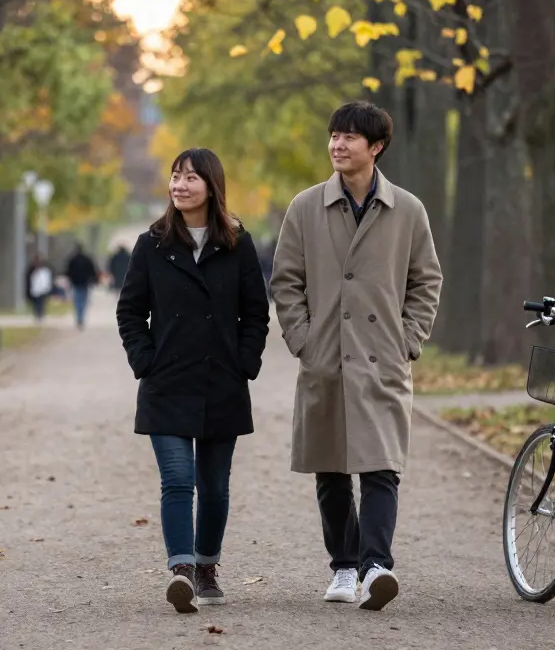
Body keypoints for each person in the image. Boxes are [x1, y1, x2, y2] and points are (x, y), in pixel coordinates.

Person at [270, 101, 442, 611]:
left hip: (382, 358)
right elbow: (285, 280)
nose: (337, 145)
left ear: (376, 147)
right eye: (333, 136)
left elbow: (426, 281)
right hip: (326, 356)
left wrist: (408, 340)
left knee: (382, 466)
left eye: (348, 137)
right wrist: (304, 339)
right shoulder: (305, 207)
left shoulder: (407, 209)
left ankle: (375, 567)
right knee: (331, 467)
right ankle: (344, 565)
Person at [116, 148, 270, 614]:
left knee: (216, 486)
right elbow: (129, 310)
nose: (180, 185)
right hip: (167, 382)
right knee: (178, 480)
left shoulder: (238, 244)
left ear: (211, 185)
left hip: (222, 382)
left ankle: (207, 566)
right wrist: (146, 360)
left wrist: (245, 361)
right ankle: (181, 570)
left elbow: (256, 313)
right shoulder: (153, 243)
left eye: (190, 177)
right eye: (175, 177)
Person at [64, 243, 99, 329]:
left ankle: (79, 317)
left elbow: (68, 271)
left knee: (77, 301)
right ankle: (81, 317)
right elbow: (92, 270)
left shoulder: (72, 260)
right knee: (84, 301)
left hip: (76, 283)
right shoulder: (87, 259)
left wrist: (70, 279)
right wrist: (94, 279)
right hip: (85, 283)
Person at [24, 255, 54, 322]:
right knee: (36, 302)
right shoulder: (32, 270)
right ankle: (38, 313)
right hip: (35, 289)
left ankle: (40, 313)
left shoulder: (44, 270)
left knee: (41, 302)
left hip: (42, 289)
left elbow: (47, 280)